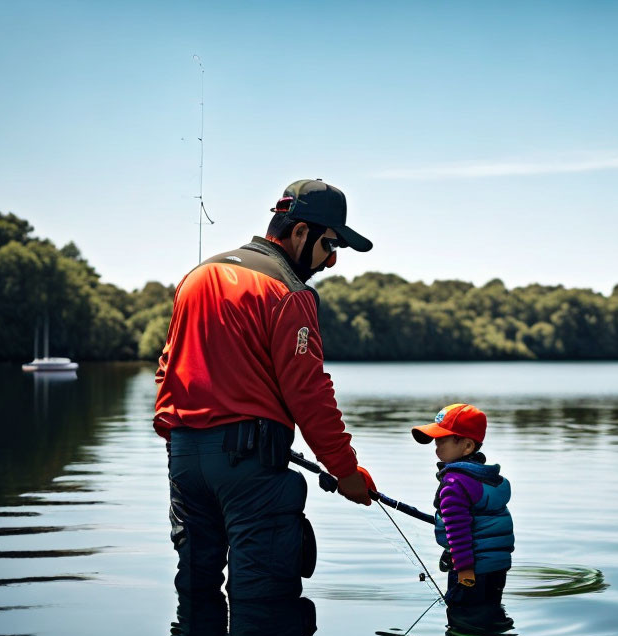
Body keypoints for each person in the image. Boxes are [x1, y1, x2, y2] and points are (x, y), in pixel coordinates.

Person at [154, 179, 376, 602]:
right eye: (329, 245)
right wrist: (345, 472)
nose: (330, 262)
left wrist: (182, 441)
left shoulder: (195, 277)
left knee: (195, 591)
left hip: (183, 460)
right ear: (298, 232)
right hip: (249, 471)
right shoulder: (290, 292)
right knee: (264, 602)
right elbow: (309, 393)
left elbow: (167, 367)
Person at [411, 403, 514, 606]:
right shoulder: (486, 479)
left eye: (441, 441)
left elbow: (458, 530)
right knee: (488, 612)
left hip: (471, 569)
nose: (436, 446)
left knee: (463, 618)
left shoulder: (454, 484)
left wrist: (464, 570)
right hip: (496, 566)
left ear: (467, 446)